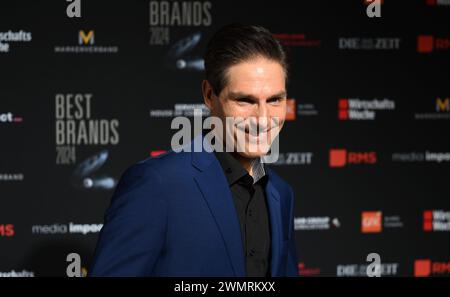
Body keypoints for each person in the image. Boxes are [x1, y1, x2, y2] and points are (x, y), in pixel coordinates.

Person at [89, 23, 298, 277]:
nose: (263, 119)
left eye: (275, 100)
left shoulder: (281, 193)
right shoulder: (157, 184)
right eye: (245, 100)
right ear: (209, 95)